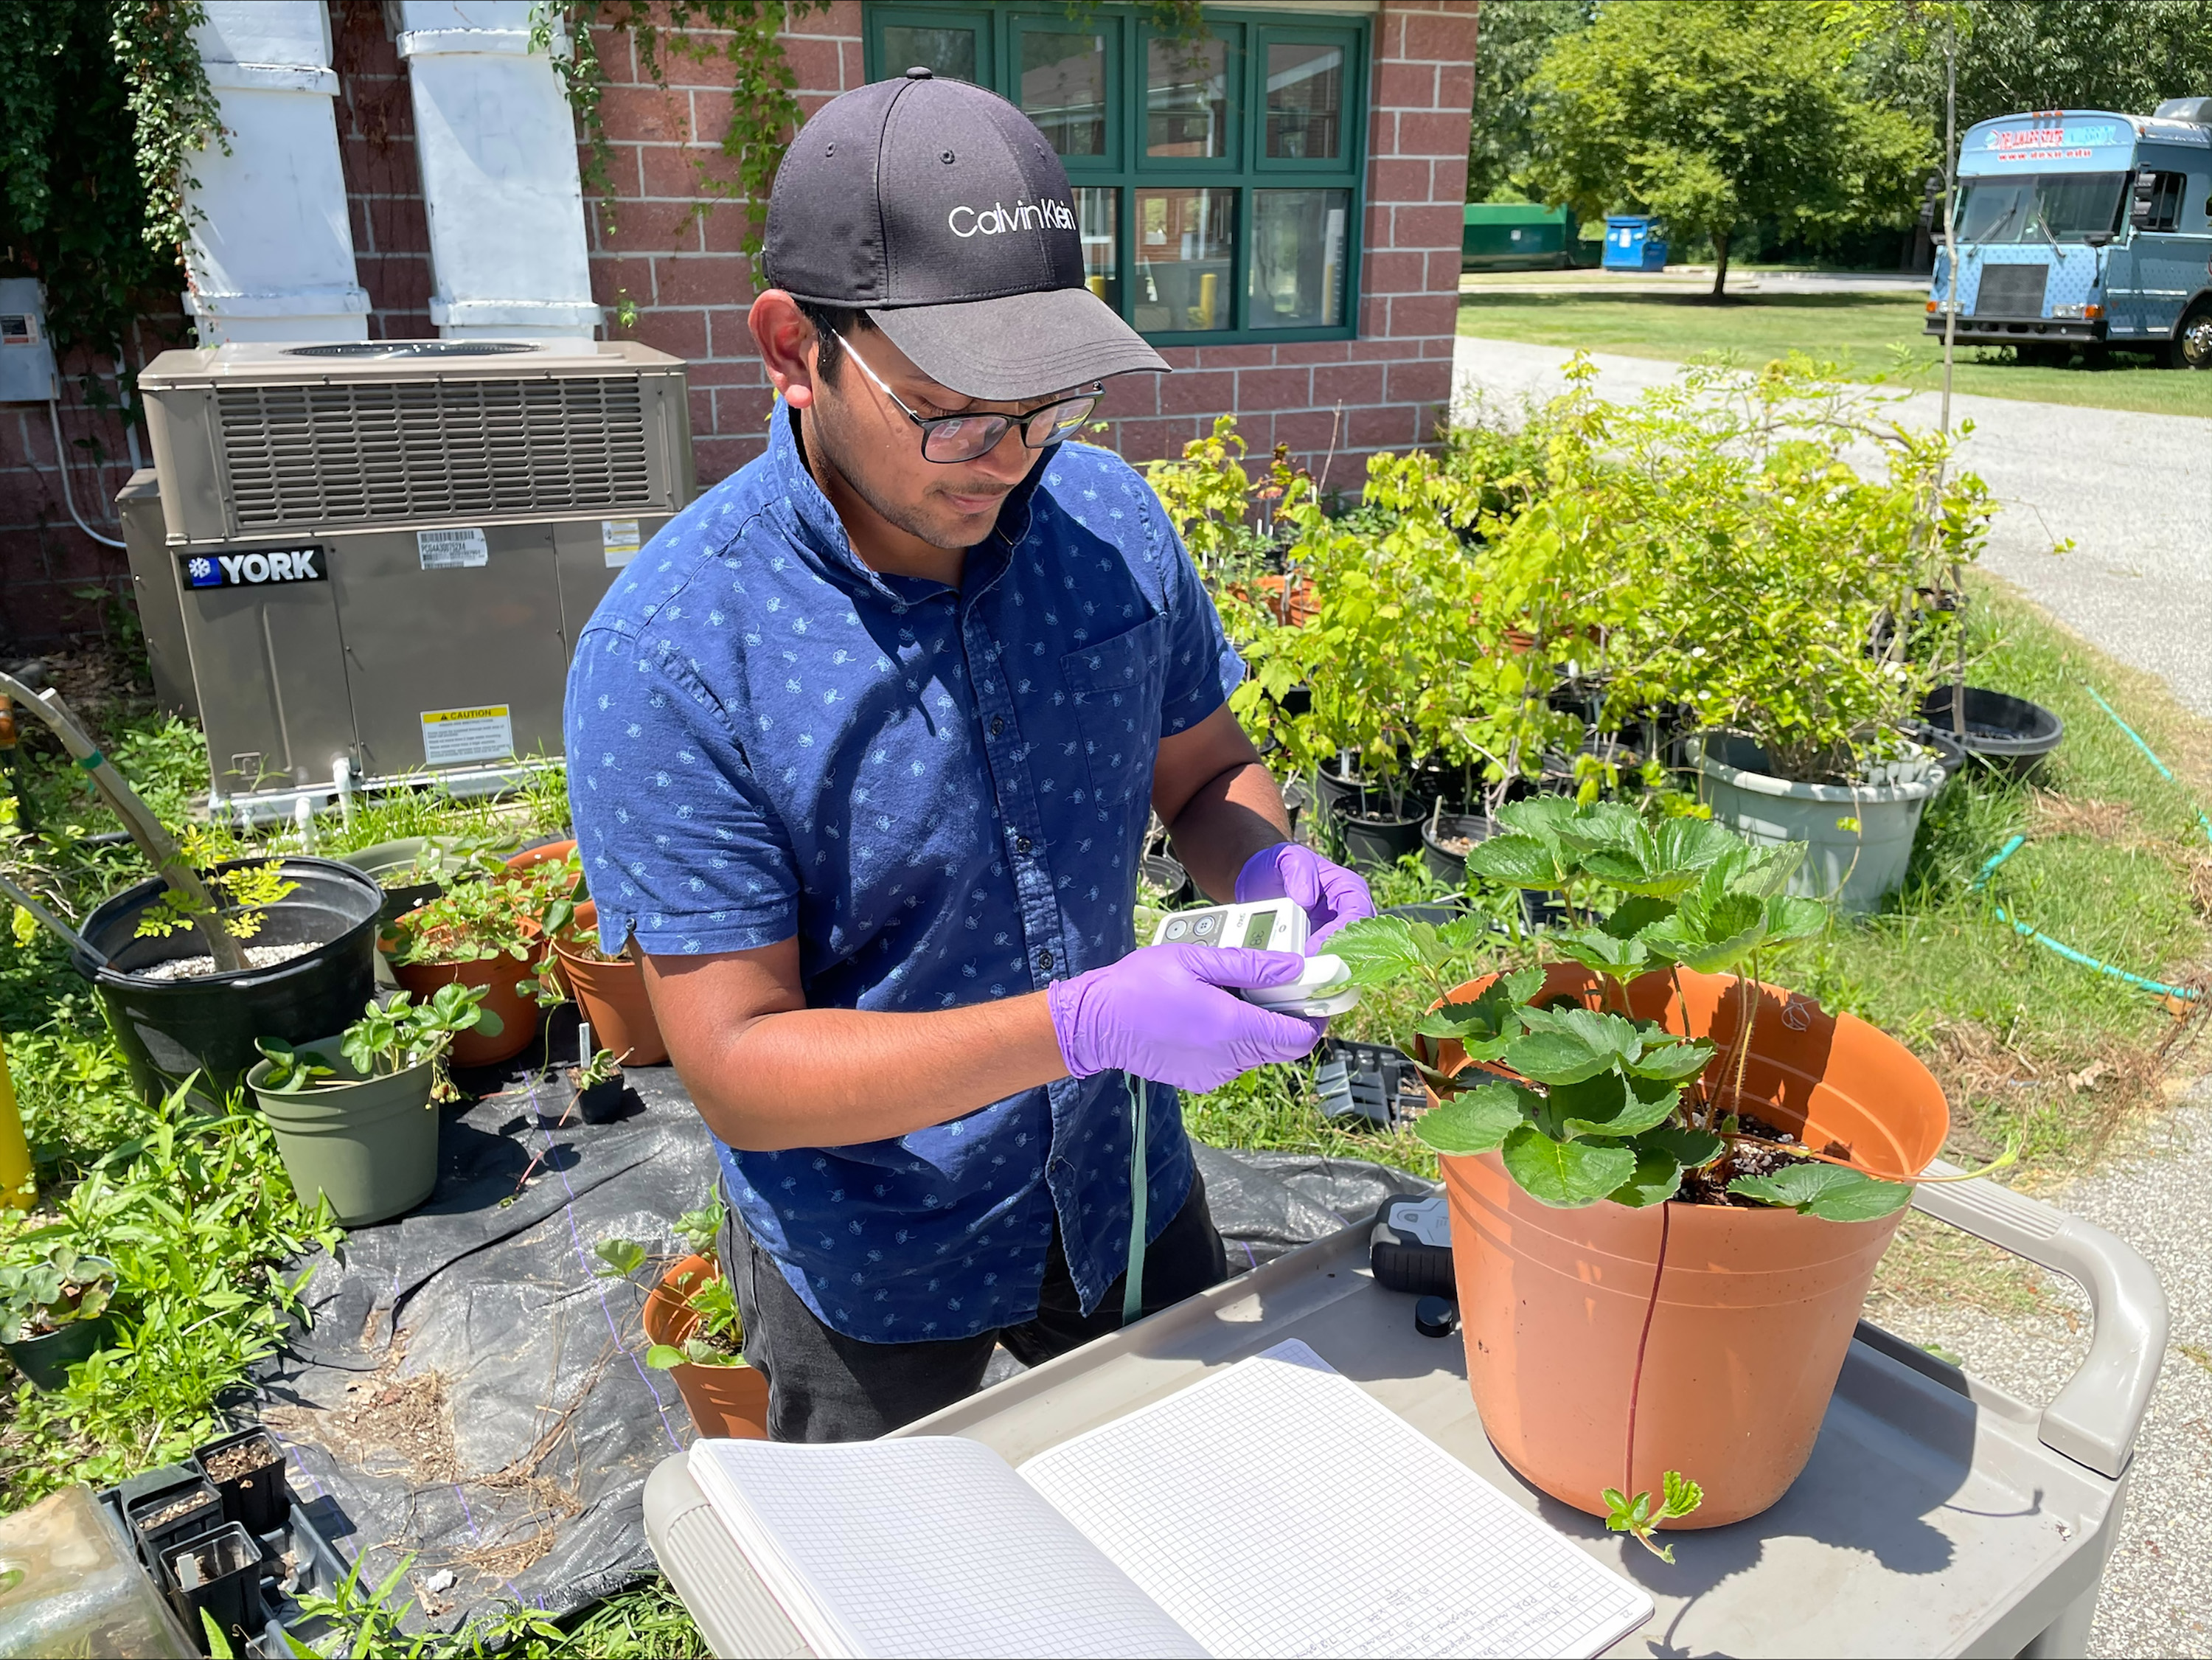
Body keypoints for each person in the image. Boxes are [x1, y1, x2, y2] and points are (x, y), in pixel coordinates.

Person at [564, 68, 1374, 1442]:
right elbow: (739, 1065)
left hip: (1117, 1178)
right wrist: (1080, 1025)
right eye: (949, 410)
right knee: (891, 1554)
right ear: (793, 348)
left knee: (1195, 1494)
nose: (1006, 460)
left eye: (1048, 407)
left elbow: (1201, 773)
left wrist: (1266, 865)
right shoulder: (676, 652)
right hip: (870, 1244)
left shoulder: (1107, 525)